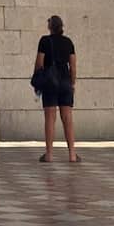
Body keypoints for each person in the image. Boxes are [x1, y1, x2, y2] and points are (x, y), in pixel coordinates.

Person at [33, 14, 78, 163]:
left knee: (50, 119)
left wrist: (37, 80)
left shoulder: (44, 41)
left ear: (49, 27)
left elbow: (39, 63)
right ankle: (72, 154)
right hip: (65, 82)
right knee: (67, 118)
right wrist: (72, 83)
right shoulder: (68, 42)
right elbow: (73, 66)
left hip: (50, 83)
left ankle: (49, 154)